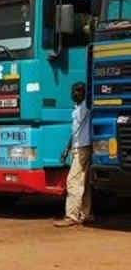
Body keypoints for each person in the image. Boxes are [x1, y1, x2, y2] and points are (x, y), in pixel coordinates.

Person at [54, 82, 93, 227]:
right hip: (78, 147)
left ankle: (72, 215)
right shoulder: (76, 109)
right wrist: (67, 148)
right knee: (84, 182)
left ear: (84, 94)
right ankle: (86, 214)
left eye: (78, 91)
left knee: (72, 181)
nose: (74, 94)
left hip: (84, 147)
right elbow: (75, 132)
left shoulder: (86, 107)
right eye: (73, 91)